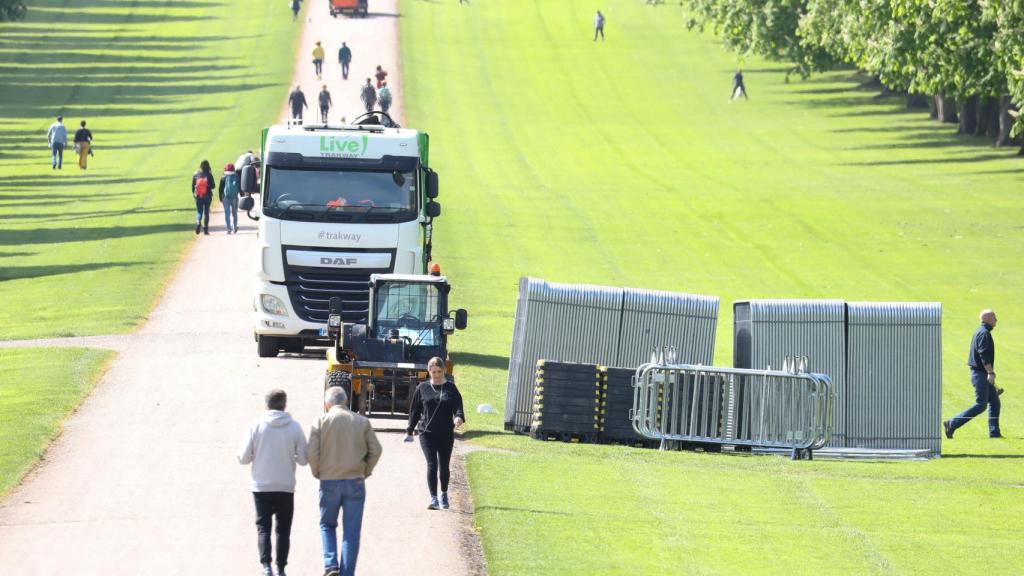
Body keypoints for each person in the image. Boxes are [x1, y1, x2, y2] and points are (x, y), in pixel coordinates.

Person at [309, 386, 383, 576]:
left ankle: (331, 565)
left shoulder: (320, 422)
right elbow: (376, 449)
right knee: (351, 532)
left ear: (327, 404)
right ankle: (347, 573)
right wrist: (366, 470)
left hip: (329, 480)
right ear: (346, 401)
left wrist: (317, 471)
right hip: (355, 480)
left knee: (327, 525)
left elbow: (312, 452)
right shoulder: (361, 422)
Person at [237, 389, 308, 576]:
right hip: (285, 485)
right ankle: (281, 568)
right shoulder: (294, 427)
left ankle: (266, 567)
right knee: (283, 529)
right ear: (285, 405)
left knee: (263, 528)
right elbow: (303, 459)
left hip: (261, 486)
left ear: (266, 404)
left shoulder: (255, 426)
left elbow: (243, 458)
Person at [405, 357, 465, 510]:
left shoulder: (451, 388)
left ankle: (443, 493)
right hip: (426, 433)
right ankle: (433, 498)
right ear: (429, 372)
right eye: (433, 372)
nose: (436, 375)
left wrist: (458, 417)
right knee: (432, 464)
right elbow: (415, 410)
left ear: (444, 370)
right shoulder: (422, 388)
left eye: (439, 371)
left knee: (444, 466)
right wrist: (410, 430)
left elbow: (458, 406)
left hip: (446, 433)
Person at [945, 310, 1004, 439]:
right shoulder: (984, 333)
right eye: (994, 317)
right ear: (987, 319)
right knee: (981, 405)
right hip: (981, 374)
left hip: (981, 373)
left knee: (995, 402)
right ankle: (952, 423)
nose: (996, 320)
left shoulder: (981, 331)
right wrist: (990, 372)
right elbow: (983, 354)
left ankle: (994, 433)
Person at [192, 159, 215, 235]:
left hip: (199, 195)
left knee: (199, 211)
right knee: (206, 212)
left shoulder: (196, 175)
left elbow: (193, 187)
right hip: (207, 195)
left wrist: (194, 195)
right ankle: (206, 230)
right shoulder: (209, 175)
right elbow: (213, 186)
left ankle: (198, 221)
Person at [219, 162, 241, 234]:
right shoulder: (236, 176)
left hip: (225, 197)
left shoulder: (223, 177)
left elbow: (220, 189)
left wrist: (220, 198)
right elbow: (239, 187)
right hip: (234, 197)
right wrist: (241, 194)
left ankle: (228, 229)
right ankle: (235, 227)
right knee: (235, 213)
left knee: (227, 213)